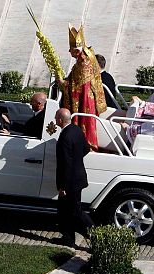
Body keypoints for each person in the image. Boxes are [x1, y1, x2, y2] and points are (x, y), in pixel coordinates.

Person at [62, 25, 107, 150]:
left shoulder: (84, 63)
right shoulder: (86, 56)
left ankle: (87, 146)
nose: (69, 51)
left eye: (71, 49)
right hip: (88, 97)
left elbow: (77, 89)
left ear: (77, 51)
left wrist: (63, 84)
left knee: (85, 123)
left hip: (85, 100)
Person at [55, 108, 93, 247]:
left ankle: (95, 234)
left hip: (70, 182)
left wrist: (63, 186)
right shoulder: (76, 130)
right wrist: (77, 158)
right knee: (64, 211)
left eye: (55, 118)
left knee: (76, 212)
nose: (55, 120)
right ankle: (68, 239)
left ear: (60, 119)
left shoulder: (65, 136)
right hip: (77, 177)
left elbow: (66, 163)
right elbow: (86, 148)